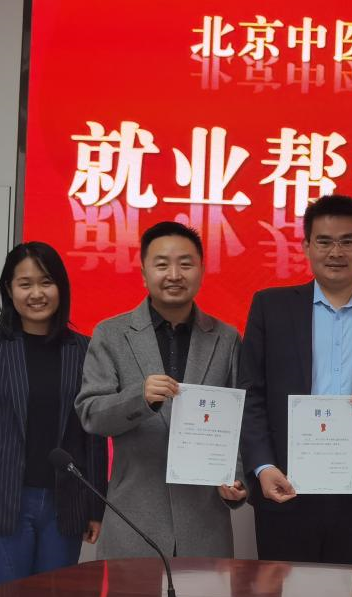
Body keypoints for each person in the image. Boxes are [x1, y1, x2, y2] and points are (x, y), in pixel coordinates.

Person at [239, 194, 352, 565]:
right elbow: (251, 394)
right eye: (324, 241)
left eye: (347, 241)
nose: (336, 252)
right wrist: (263, 467)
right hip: (284, 484)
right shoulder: (271, 307)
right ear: (306, 246)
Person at [77, 222, 246, 558]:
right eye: (162, 264)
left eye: (185, 264)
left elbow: (242, 420)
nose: (174, 275)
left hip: (204, 522)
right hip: (134, 519)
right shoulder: (111, 334)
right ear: (144, 274)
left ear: (201, 271)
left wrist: (238, 479)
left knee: (205, 596)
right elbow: (91, 414)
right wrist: (138, 398)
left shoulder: (226, 338)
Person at [0, 243, 106, 585]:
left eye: (46, 282)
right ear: (9, 290)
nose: (37, 293)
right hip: (2, 502)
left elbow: (93, 433)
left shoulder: (84, 349)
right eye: (25, 284)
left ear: (60, 288)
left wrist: (96, 507)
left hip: (65, 504)